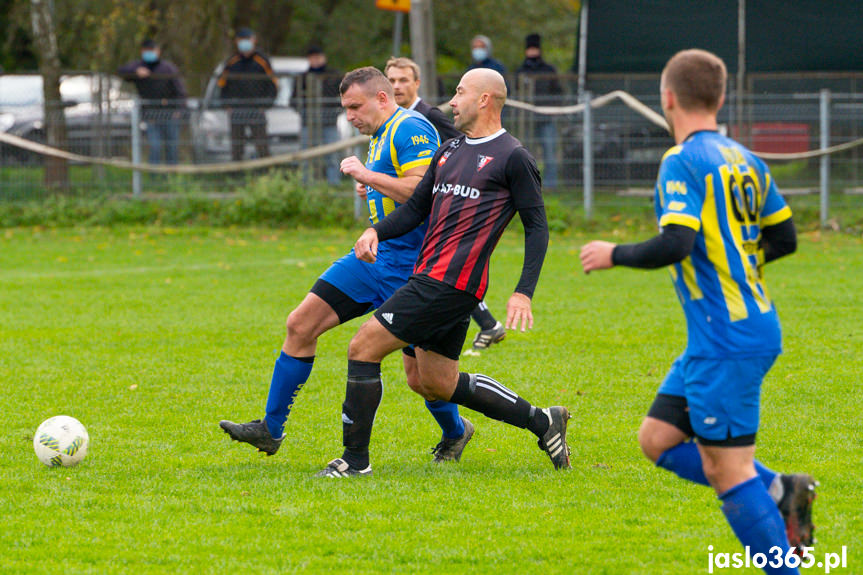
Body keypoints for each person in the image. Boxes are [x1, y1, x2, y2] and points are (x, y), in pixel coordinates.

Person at [579, 49, 816, 571]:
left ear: (667, 98)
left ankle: (785, 564)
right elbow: (787, 237)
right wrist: (737, 264)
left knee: (726, 472)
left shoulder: (681, 159)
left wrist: (612, 254)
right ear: (721, 97)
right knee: (657, 439)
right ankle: (781, 489)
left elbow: (677, 242)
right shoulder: (744, 157)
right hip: (734, 329)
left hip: (726, 338)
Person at [316, 68, 570, 478]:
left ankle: (355, 461)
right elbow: (417, 208)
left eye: (460, 92)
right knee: (436, 383)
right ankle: (543, 421)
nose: (452, 101)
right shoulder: (450, 150)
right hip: (432, 277)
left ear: (485, 100)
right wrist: (374, 231)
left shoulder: (513, 157)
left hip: (450, 284)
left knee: (362, 348)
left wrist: (523, 291)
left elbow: (537, 227)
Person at [220, 66, 476, 465]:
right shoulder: (379, 134)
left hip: (410, 269)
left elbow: (422, 189)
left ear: (381, 98)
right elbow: (395, 185)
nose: (350, 115)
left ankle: (457, 431)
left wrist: (368, 174)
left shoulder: (410, 128)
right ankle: (270, 429)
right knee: (300, 324)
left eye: (355, 106)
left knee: (423, 380)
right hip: (373, 258)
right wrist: (373, 181)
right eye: (345, 108)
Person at [384, 56, 507, 352]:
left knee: (440, 272)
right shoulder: (394, 121)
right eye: (391, 80)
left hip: (440, 208)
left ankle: (481, 325)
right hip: (417, 206)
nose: (397, 86)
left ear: (417, 83)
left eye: (403, 80)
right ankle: (487, 324)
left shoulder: (430, 116)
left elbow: (466, 148)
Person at [118, 39, 187, 165]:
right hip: (150, 115)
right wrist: (135, 72)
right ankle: (155, 178)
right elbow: (121, 71)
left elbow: (181, 92)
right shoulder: (138, 67)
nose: (149, 53)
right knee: (155, 147)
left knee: (171, 147)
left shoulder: (168, 68)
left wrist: (179, 110)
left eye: (152, 51)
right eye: (146, 51)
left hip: (169, 114)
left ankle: (172, 176)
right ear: (142, 51)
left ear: (158, 52)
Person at [216, 27, 278, 161]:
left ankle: (266, 173)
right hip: (237, 108)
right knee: (237, 146)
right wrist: (226, 105)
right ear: (237, 42)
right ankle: (237, 176)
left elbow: (273, 85)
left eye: (247, 40)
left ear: (254, 40)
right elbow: (222, 85)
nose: (244, 43)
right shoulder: (231, 61)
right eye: (241, 40)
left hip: (257, 108)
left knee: (261, 144)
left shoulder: (262, 61)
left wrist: (266, 104)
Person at [515, 33, 563, 189]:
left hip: (546, 118)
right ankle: (528, 184)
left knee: (549, 151)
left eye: (535, 48)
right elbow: (515, 91)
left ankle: (550, 185)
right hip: (526, 120)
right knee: (525, 153)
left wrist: (553, 108)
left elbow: (558, 92)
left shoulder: (549, 70)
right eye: (530, 49)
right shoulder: (521, 71)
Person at [298, 45, 342, 185]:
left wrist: (334, 112)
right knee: (306, 155)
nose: (315, 60)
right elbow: (294, 99)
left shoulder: (334, 76)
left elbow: (343, 97)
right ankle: (306, 183)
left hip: (329, 122)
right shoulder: (302, 78)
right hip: (308, 123)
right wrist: (304, 113)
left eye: (318, 57)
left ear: (324, 58)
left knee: (332, 155)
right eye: (312, 57)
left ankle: (333, 184)